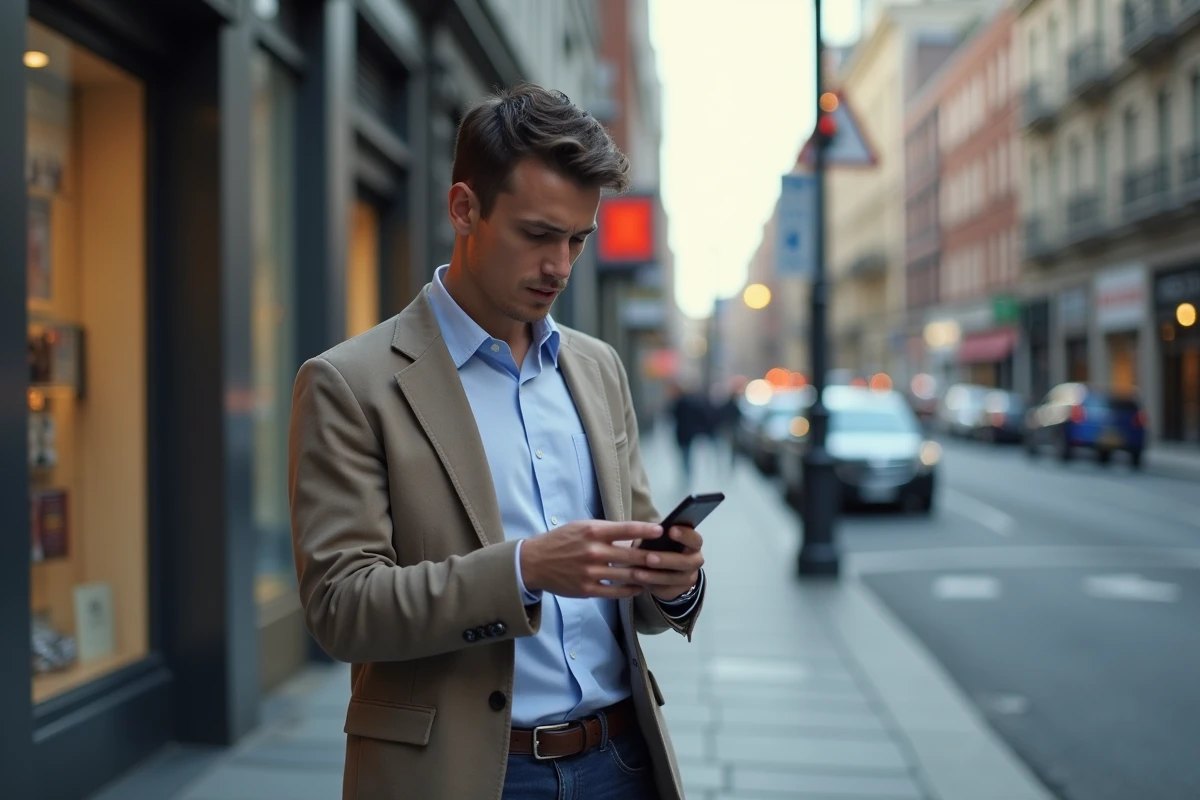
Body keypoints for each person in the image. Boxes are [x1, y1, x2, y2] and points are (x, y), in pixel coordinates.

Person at [289, 83, 707, 800]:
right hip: (467, 773)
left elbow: (629, 571)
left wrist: (673, 583)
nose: (560, 267)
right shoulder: (350, 382)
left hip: (621, 758)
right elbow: (342, 608)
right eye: (539, 234)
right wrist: (523, 569)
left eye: (578, 240)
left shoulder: (596, 367)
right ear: (464, 209)